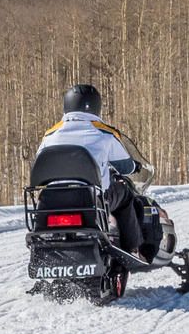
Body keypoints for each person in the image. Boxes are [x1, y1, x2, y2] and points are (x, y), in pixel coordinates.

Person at [37, 83, 156, 260]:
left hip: (50, 201)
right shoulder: (104, 133)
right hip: (90, 199)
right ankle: (132, 247)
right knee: (125, 195)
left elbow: (39, 164)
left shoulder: (49, 135)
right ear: (95, 106)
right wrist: (135, 166)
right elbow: (125, 167)